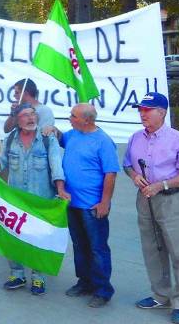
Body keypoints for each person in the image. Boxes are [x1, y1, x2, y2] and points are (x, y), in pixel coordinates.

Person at [0, 103, 68, 295]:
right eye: (25, 115)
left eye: (33, 114)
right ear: (17, 120)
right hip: (16, 201)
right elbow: (2, 163)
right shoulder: (11, 138)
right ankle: (17, 274)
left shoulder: (48, 139)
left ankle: (38, 277)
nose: (31, 118)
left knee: (38, 237)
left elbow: (56, 165)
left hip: (41, 200)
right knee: (14, 235)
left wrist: (61, 189)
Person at [46, 103, 118, 308]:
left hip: (93, 206)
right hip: (72, 203)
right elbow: (61, 138)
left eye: (73, 115)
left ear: (87, 120)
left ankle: (103, 290)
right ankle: (84, 282)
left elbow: (110, 174)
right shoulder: (74, 134)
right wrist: (54, 130)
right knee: (80, 246)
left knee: (97, 248)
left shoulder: (103, 141)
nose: (70, 118)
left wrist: (105, 202)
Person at [122, 92, 179, 323]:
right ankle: (161, 294)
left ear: (162, 112)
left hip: (171, 200)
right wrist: (135, 176)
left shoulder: (178, 139)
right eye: (141, 109)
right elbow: (127, 164)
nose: (142, 113)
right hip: (145, 200)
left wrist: (162, 185)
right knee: (152, 249)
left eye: (147, 110)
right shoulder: (136, 137)